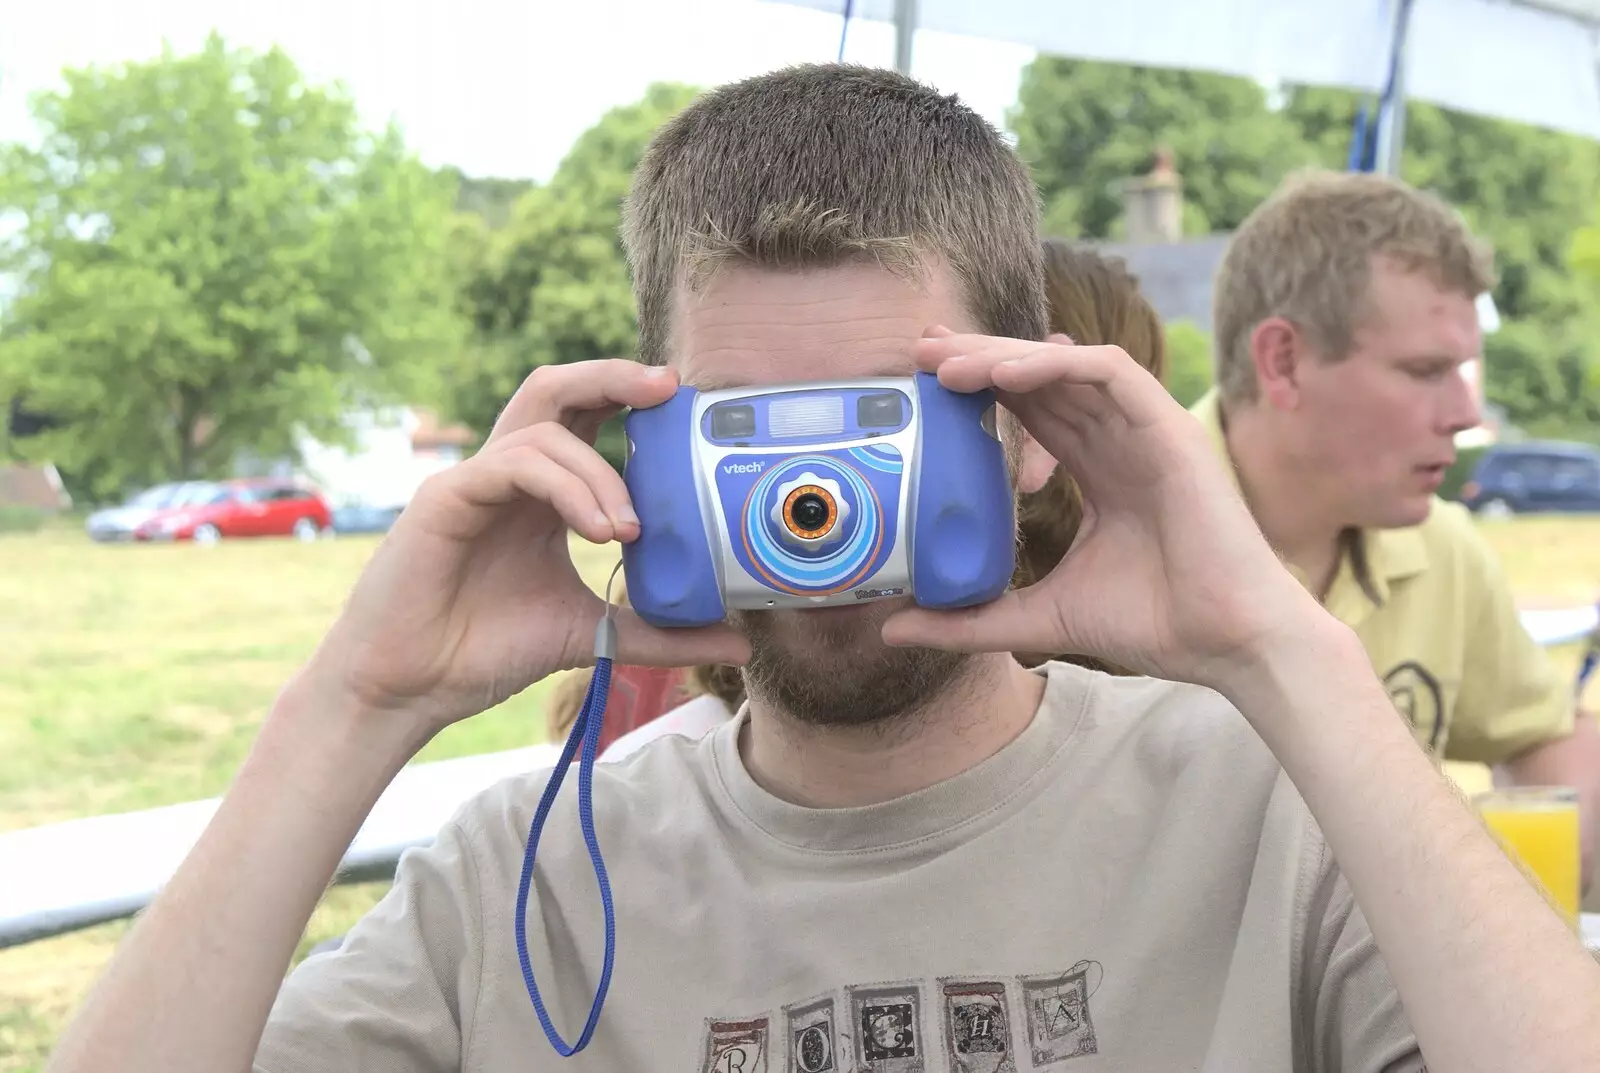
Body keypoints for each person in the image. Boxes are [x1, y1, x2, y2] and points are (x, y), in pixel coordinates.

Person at [44, 65, 1600, 1073]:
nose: (814, 511)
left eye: (881, 432)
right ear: (634, 447)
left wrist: (1279, 652)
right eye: (748, 440)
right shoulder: (520, 888)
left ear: (1032, 426)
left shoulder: (1269, 810)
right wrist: (355, 704)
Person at [579, 239, 1167, 762]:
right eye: (743, 426)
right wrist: (482, 657)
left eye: (884, 423)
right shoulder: (569, 842)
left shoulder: (1231, 768)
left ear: (1036, 419)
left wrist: (1251, 642)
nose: (811, 499)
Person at [1199, 170, 1600, 888]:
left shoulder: (1442, 548)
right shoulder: (1107, 534)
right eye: (1425, 370)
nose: (1462, 413)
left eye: (1463, 370)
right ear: (1282, 362)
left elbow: (1545, 734)